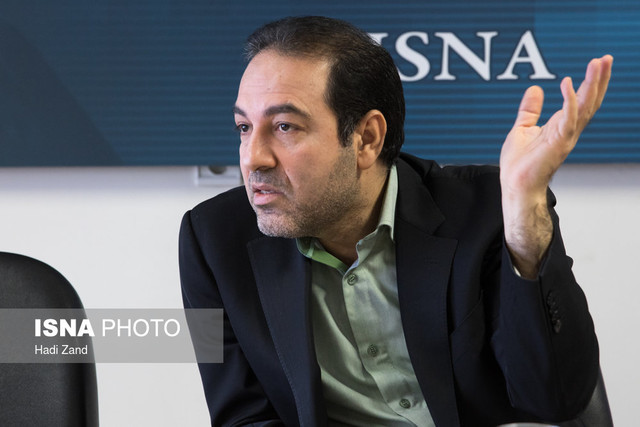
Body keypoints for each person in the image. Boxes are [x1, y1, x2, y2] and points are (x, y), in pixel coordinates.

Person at [179, 16, 612, 427]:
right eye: (243, 127)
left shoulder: (489, 212)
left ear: (367, 138)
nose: (252, 158)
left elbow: (556, 399)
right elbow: (240, 416)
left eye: (285, 127)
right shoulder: (210, 241)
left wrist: (523, 217)